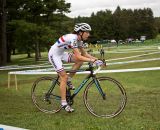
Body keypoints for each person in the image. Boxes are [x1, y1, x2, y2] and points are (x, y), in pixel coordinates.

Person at [48, 23, 105, 112]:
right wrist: (93, 61)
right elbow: (78, 56)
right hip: (53, 55)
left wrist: (97, 59)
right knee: (63, 77)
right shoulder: (73, 38)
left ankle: (69, 79)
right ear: (80, 32)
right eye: (87, 32)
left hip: (61, 54)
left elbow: (84, 54)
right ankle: (64, 103)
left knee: (80, 62)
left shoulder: (79, 40)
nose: (89, 34)